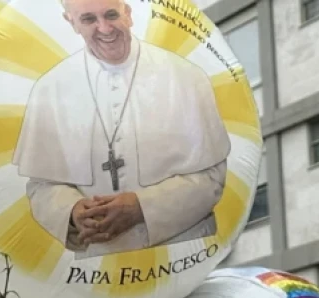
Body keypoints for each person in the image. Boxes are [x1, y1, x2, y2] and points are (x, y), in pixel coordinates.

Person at [12, 0, 231, 259]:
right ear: (71, 22)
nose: (105, 28)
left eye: (111, 15)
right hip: (100, 266)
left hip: (184, 253)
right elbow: (42, 186)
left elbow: (211, 177)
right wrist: (72, 211)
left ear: (128, 14)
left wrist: (142, 207)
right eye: (89, 19)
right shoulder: (49, 90)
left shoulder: (185, 77)